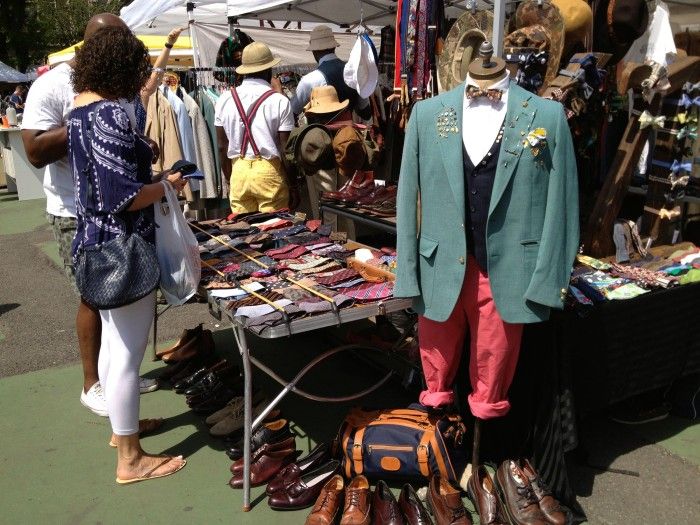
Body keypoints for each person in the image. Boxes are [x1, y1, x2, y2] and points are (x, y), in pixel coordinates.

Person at [21, 13, 159, 417]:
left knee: (118, 315)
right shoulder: (56, 86)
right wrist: (90, 125)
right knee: (94, 297)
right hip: (75, 208)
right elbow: (33, 150)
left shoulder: (119, 91)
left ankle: (118, 386)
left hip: (114, 216)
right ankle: (92, 383)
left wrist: (132, 144)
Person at [68, 25, 187, 483]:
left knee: (116, 346)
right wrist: (167, 185)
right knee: (127, 354)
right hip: (124, 247)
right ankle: (131, 459)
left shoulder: (79, 112)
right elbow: (122, 195)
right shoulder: (108, 116)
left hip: (96, 243)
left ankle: (124, 434)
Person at [215, 42, 299, 214]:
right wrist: (293, 185)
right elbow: (285, 149)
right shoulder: (279, 101)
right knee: (274, 229)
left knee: (243, 234)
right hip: (269, 170)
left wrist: (230, 180)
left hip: (238, 169)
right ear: (268, 70)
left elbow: (222, 147)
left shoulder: (224, 99)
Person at [290, 25, 371, 120]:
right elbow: (366, 113)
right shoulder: (354, 73)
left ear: (314, 51)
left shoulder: (310, 80)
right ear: (334, 47)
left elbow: (292, 113)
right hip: (348, 132)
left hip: (322, 133)